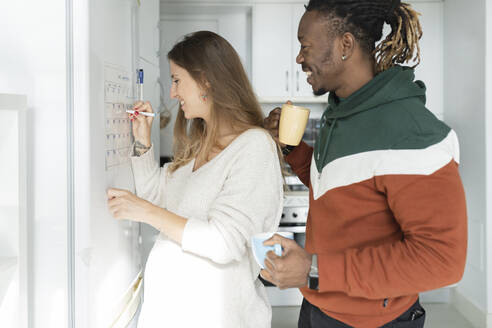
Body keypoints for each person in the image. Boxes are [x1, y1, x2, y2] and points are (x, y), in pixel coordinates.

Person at [262, 1, 467, 327]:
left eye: (305, 46)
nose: (300, 58)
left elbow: (441, 260)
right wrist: (291, 148)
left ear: (345, 45)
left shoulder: (411, 131)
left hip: (373, 320)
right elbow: (333, 187)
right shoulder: (338, 115)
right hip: (317, 306)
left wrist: (314, 269)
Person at [107, 31, 284, 327]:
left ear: (206, 81)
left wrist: (145, 212)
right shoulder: (200, 145)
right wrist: (142, 141)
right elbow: (155, 194)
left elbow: (224, 241)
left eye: (177, 80)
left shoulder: (254, 146)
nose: (172, 93)